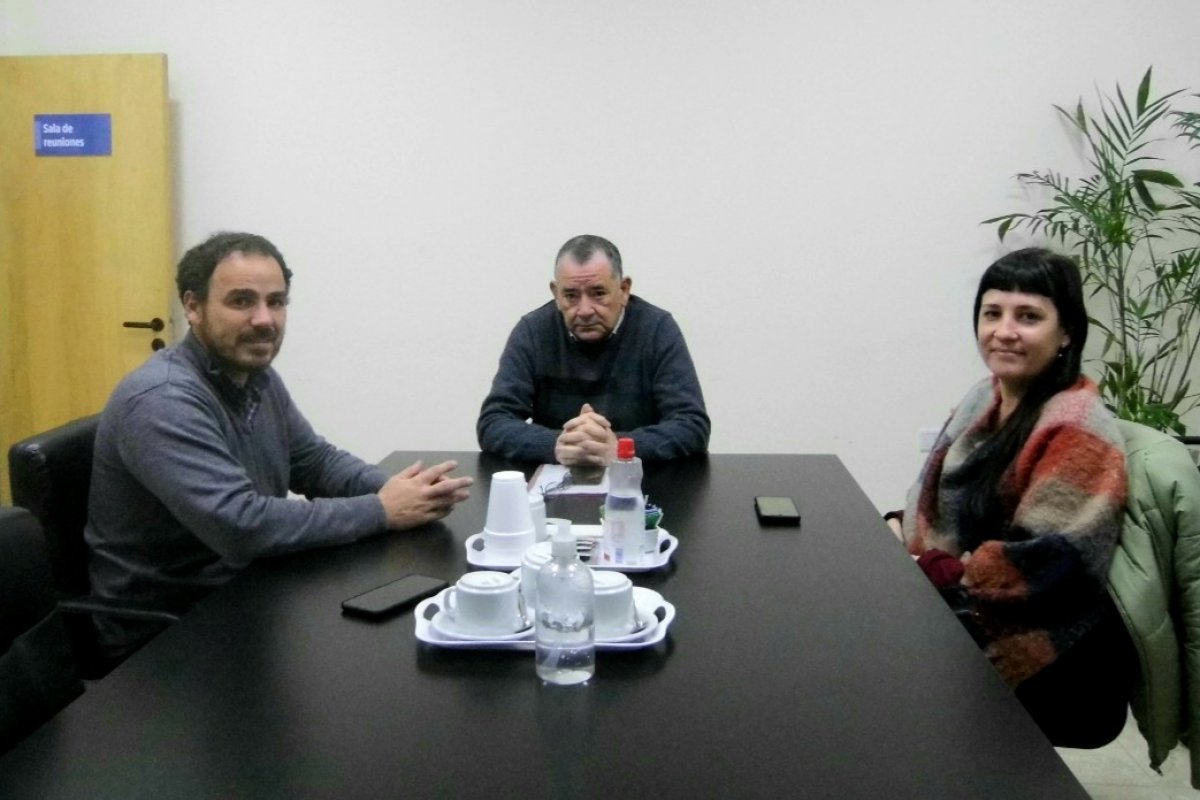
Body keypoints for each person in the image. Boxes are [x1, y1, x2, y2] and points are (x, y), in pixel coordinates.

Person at [85, 232, 472, 659]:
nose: (264, 319)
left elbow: (313, 461)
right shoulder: (162, 398)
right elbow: (239, 524)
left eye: (276, 302)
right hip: (165, 637)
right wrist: (382, 510)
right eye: (242, 301)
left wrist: (397, 492)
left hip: (246, 590)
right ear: (193, 307)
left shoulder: (256, 376)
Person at [891, 248, 1134, 747]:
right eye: (992, 313)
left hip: (1053, 653)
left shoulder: (1078, 427)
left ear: (1067, 333)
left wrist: (926, 564)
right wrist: (901, 530)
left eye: (1028, 317)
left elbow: (1049, 565)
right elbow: (937, 506)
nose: (1004, 331)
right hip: (972, 607)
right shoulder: (985, 397)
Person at [477, 234, 710, 466]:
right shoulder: (533, 331)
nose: (585, 310)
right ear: (556, 294)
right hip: (556, 478)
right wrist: (559, 445)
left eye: (598, 293)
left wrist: (619, 448)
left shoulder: (656, 329)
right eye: (571, 296)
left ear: (624, 289)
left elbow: (692, 425)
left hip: (643, 479)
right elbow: (493, 422)